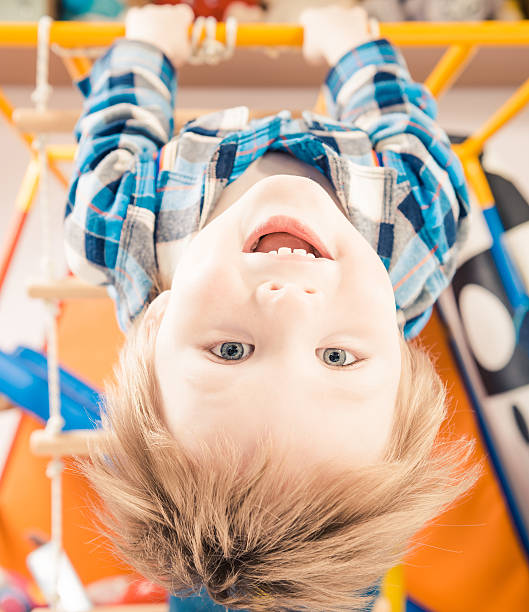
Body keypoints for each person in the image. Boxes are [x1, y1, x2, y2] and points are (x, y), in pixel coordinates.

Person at [65, 4, 478, 611]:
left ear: (156, 328)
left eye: (231, 350)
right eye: (337, 357)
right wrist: (352, 53)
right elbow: (405, 129)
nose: (290, 306)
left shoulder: (120, 229)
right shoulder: (416, 232)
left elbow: (113, 143)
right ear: (398, 346)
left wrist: (147, 52)